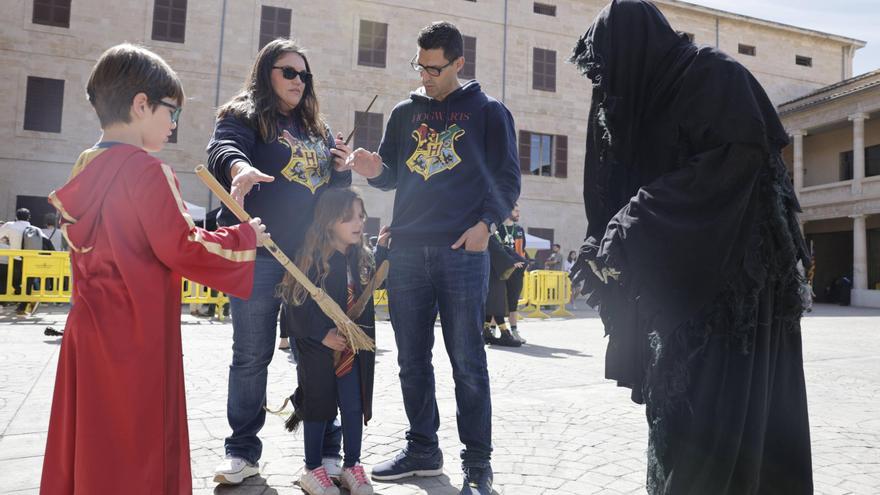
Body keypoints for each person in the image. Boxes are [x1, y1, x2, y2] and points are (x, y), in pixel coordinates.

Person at [569, 2, 813, 493]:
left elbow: (735, 165)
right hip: (679, 295)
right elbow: (612, 183)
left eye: (612, 68)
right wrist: (602, 242)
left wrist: (636, 221)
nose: (607, 86)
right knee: (681, 431)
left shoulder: (715, 79)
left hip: (736, 298)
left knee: (719, 435)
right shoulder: (639, 102)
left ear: (637, 54)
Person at [39, 43, 266, 495]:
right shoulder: (146, 170)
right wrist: (245, 238)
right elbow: (180, 247)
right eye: (172, 112)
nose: (173, 124)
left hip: (88, 329)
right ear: (141, 104)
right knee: (139, 445)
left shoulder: (85, 168)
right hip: (136, 331)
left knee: (92, 438)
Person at [346, 21, 520, 495]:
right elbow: (389, 176)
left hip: (462, 251)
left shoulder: (487, 111)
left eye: (435, 68)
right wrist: (371, 169)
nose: (425, 76)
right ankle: (422, 448)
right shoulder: (404, 112)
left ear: (459, 63)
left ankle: (478, 463)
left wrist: (486, 225)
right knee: (411, 360)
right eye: (419, 66)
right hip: (405, 250)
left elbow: (507, 180)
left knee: (467, 360)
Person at [206, 38, 352, 485]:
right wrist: (239, 169)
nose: (298, 81)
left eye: (304, 74)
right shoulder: (243, 115)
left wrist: (342, 168)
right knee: (251, 355)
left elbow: (331, 197)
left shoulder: (318, 129)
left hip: (312, 261)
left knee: (320, 353)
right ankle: (242, 451)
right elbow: (221, 150)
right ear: (266, 71)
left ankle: (327, 450)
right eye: (288, 71)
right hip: (262, 254)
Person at [281, 188, 376, 495]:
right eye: (348, 217)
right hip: (318, 347)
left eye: (360, 216)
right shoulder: (311, 260)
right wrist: (322, 334)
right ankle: (313, 468)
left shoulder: (362, 260)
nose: (357, 222)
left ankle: (352, 465)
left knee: (352, 405)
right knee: (319, 405)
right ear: (328, 220)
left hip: (351, 351)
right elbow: (294, 304)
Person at [483, 234, 523, 348]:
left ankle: (486, 331)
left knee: (491, 303)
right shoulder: (489, 233)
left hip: (492, 270)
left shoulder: (491, 233)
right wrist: (511, 262)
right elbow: (497, 250)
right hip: (493, 272)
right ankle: (504, 333)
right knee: (496, 302)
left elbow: (501, 249)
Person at [498, 203, 527, 343]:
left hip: (516, 272)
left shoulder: (519, 230)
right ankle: (492, 330)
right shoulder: (497, 228)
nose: (518, 214)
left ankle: (514, 331)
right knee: (496, 301)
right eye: (516, 211)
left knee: (513, 302)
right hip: (501, 270)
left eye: (519, 211)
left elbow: (522, 251)